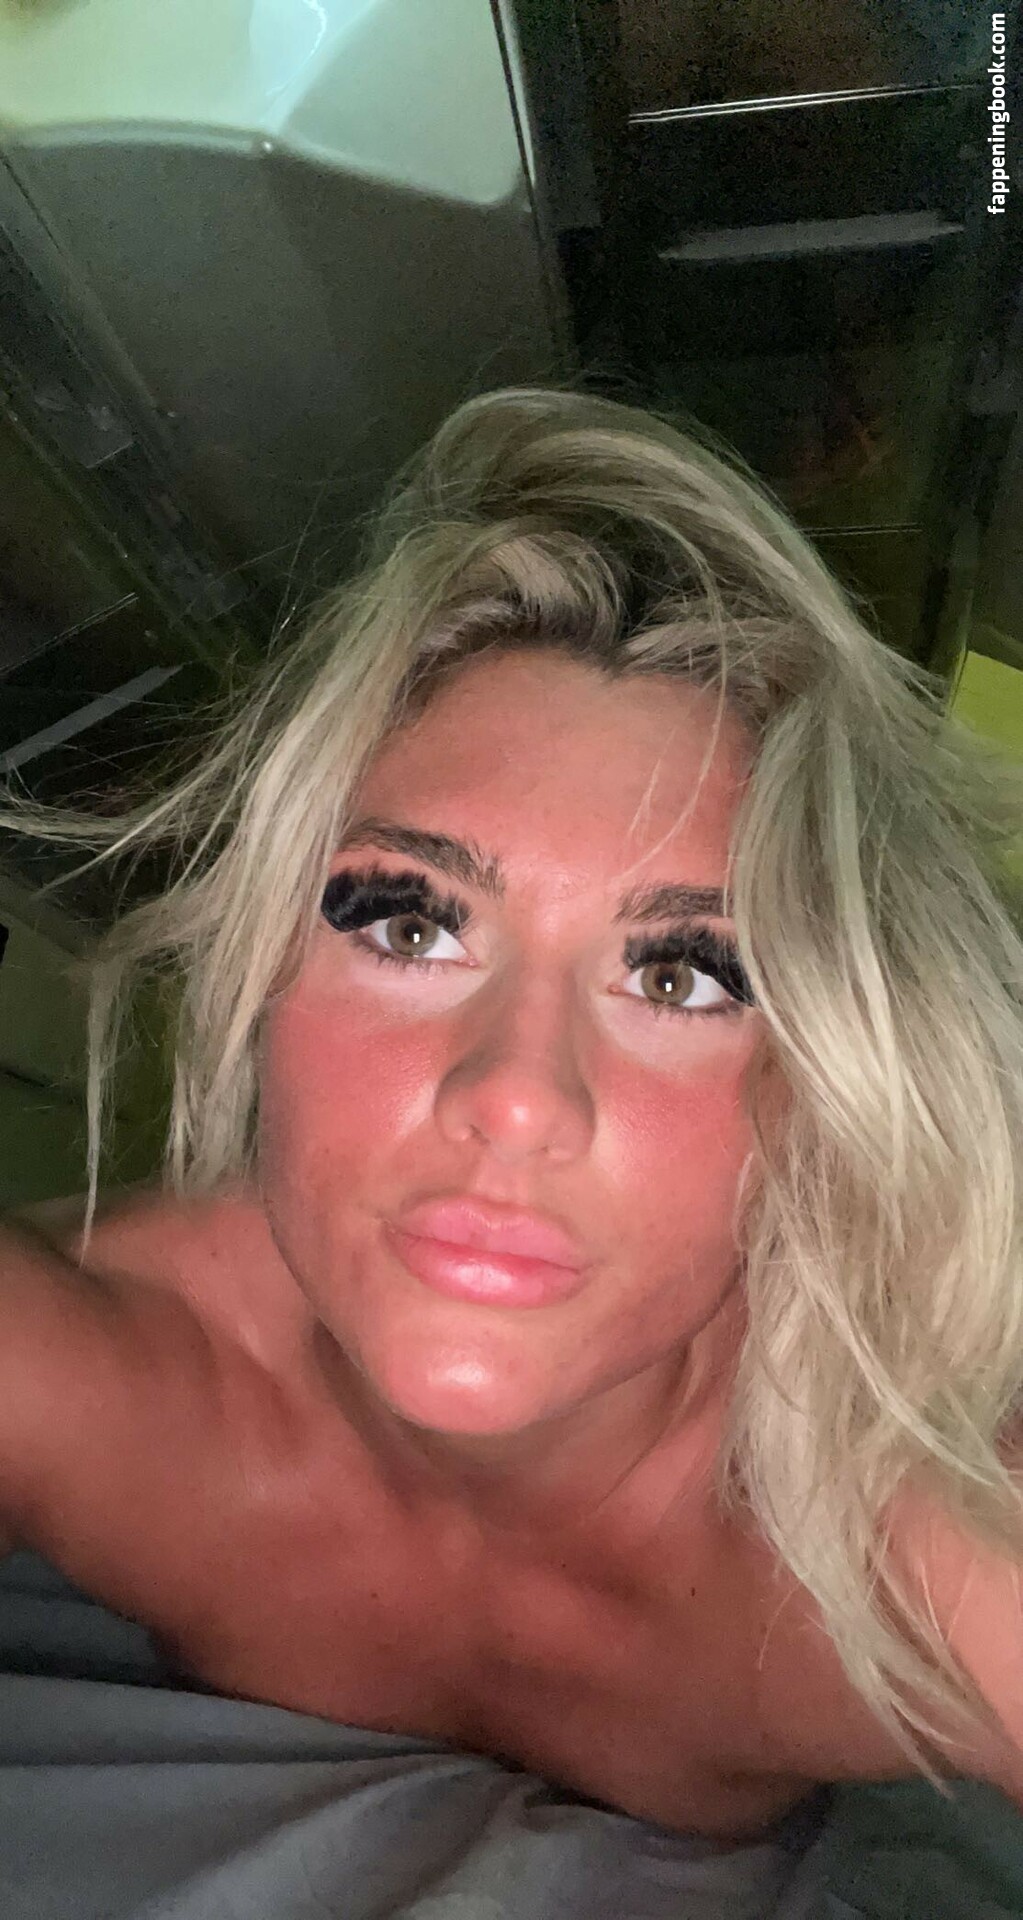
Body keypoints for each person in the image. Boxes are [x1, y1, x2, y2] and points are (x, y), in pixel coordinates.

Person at [1, 385, 1022, 1845]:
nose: (519, 1097)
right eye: (409, 926)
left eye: (680, 975)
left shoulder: (919, 1540)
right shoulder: (88, 1367)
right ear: (262, 979)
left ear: (815, 1087)